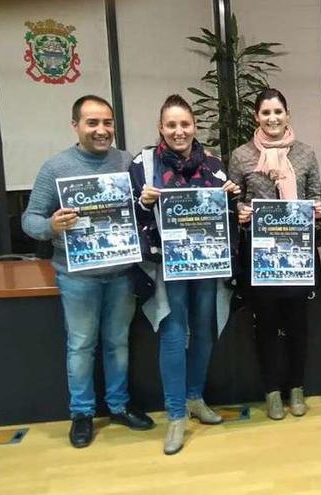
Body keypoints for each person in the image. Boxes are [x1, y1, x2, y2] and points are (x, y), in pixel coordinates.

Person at [22, 95, 154, 448]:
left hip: (122, 272)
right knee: (81, 346)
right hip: (77, 275)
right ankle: (81, 414)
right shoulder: (56, 168)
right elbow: (29, 219)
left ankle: (118, 406)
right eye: (92, 123)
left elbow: (141, 207)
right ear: (75, 126)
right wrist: (51, 225)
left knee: (117, 344)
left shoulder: (127, 161)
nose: (101, 130)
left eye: (107, 123)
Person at [129, 94, 239, 454]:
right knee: (174, 333)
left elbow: (227, 219)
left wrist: (231, 200)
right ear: (161, 128)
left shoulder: (215, 166)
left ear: (194, 126)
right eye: (171, 125)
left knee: (205, 328)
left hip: (207, 265)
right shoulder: (143, 165)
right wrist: (142, 203)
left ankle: (194, 397)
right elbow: (124, 216)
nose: (179, 131)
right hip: (167, 267)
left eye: (185, 124)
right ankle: (175, 415)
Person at [229, 88, 321, 420]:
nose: (272, 118)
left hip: (298, 254)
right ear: (257, 116)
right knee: (266, 325)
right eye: (266, 113)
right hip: (261, 258)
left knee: (298, 324)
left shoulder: (306, 154)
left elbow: (316, 198)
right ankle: (271, 390)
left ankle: (296, 387)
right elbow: (233, 201)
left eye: (278, 112)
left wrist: (315, 209)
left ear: (288, 115)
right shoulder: (242, 155)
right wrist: (240, 210)